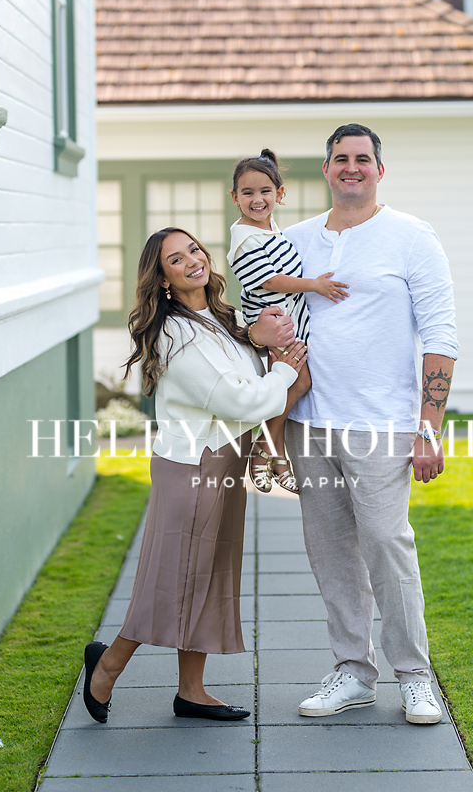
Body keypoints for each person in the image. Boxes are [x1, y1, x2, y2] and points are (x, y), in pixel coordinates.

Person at [83, 227, 306, 723]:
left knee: (207, 577)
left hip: (223, 459)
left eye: (195, 251)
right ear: (162, 278)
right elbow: (237, 398)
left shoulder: (219, 318)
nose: (192, 261)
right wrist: (285, 370)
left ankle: (192, 691)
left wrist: (257, 341)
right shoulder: (175, 332)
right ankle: (108, 666)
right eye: (176, 259)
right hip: (192, 465)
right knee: (171, 579)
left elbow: (241, 376)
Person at [284, 124, 458, 725]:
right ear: (326, 170)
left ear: (379, 170)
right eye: (340, 158)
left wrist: (428, 428)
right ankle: (353, 672)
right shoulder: (294, 240)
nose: (351, 167)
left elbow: (440, 337)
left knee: (386, 545)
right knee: (330, 550)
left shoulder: (411, 236)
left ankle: (415, 675)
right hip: (307, 423)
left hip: (382, 425)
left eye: (362, 158)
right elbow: (264, 312)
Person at [227, 149, 349, 493]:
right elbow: (269, 281)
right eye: (247, 193)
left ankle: (275, 454)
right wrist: (315, 285)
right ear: (234, 198)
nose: (257, 199)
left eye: (265, 191)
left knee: (295, 384)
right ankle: (265, 449)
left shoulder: (270, 232)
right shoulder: (245, 240)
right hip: (276, 326)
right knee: (296, 384)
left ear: (279, 194)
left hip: (289, 322)